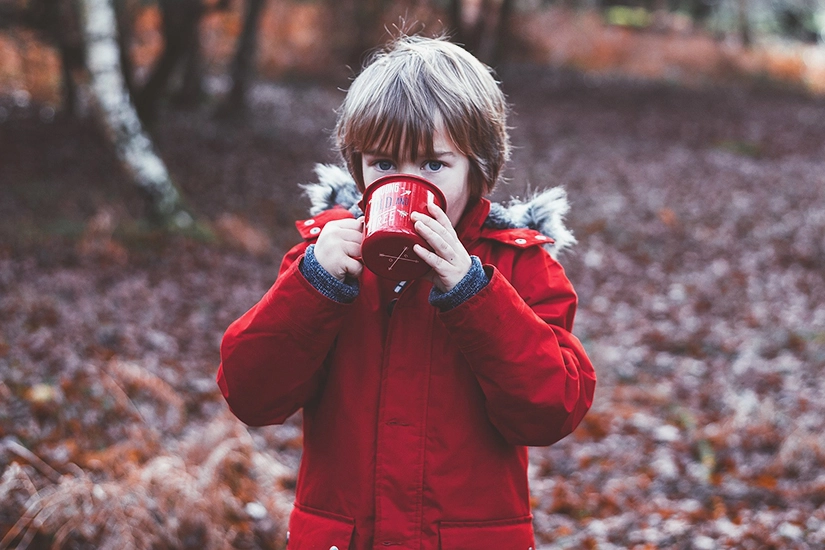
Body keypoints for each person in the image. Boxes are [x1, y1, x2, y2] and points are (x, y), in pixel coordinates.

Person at [217, 34, 596, 550]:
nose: (406, 181)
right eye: (383, 164)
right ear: (358, 167)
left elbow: (551, 409)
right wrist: (316, 285)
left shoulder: (516, 265)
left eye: (434, 165)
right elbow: (250, 394)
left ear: (479, 168)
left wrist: (472, 292)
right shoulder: (324, 259)